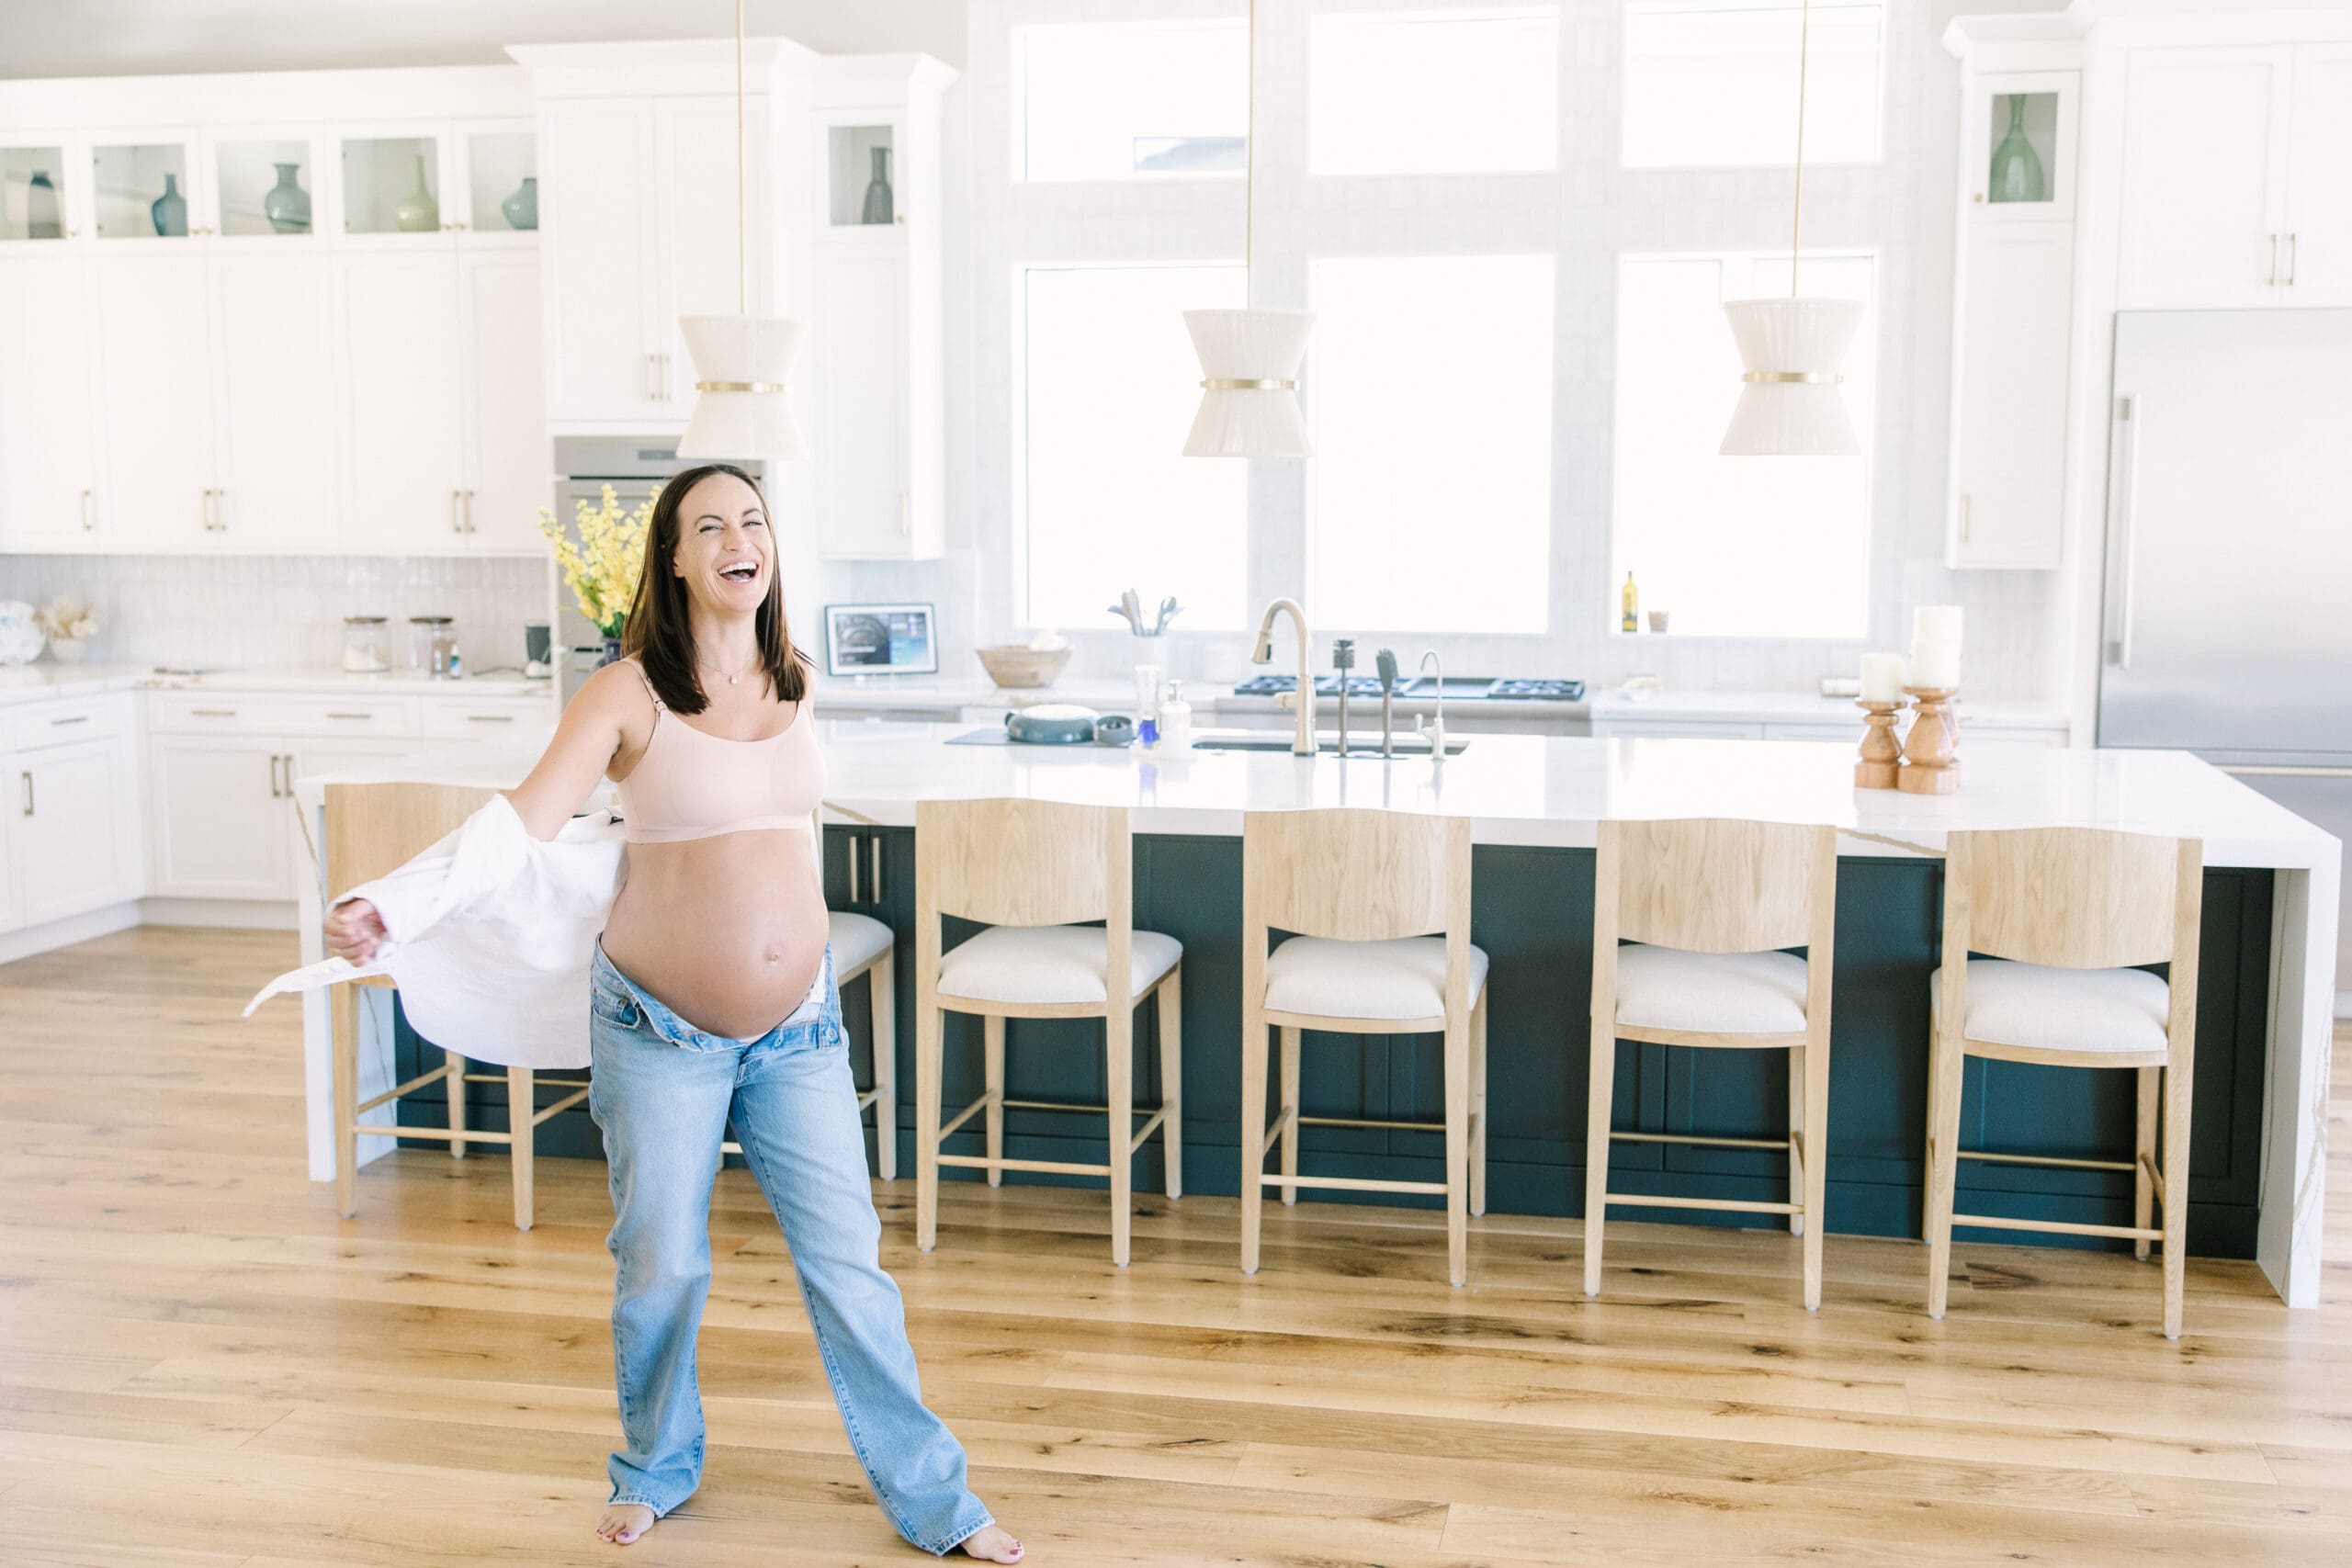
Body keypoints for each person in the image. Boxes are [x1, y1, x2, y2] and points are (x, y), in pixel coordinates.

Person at [322, 464, 1022, 1562]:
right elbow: (520, 825)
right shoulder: (626, 693)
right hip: (660, 1029)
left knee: (851, 1264)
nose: (739, 537)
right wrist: (392, 902)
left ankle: (937, 1499)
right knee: (661, 1263)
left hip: (799, 1028)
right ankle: (654, 1465)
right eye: (711, 526)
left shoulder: (797, 678)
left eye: (753, 520)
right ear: (678, 561)